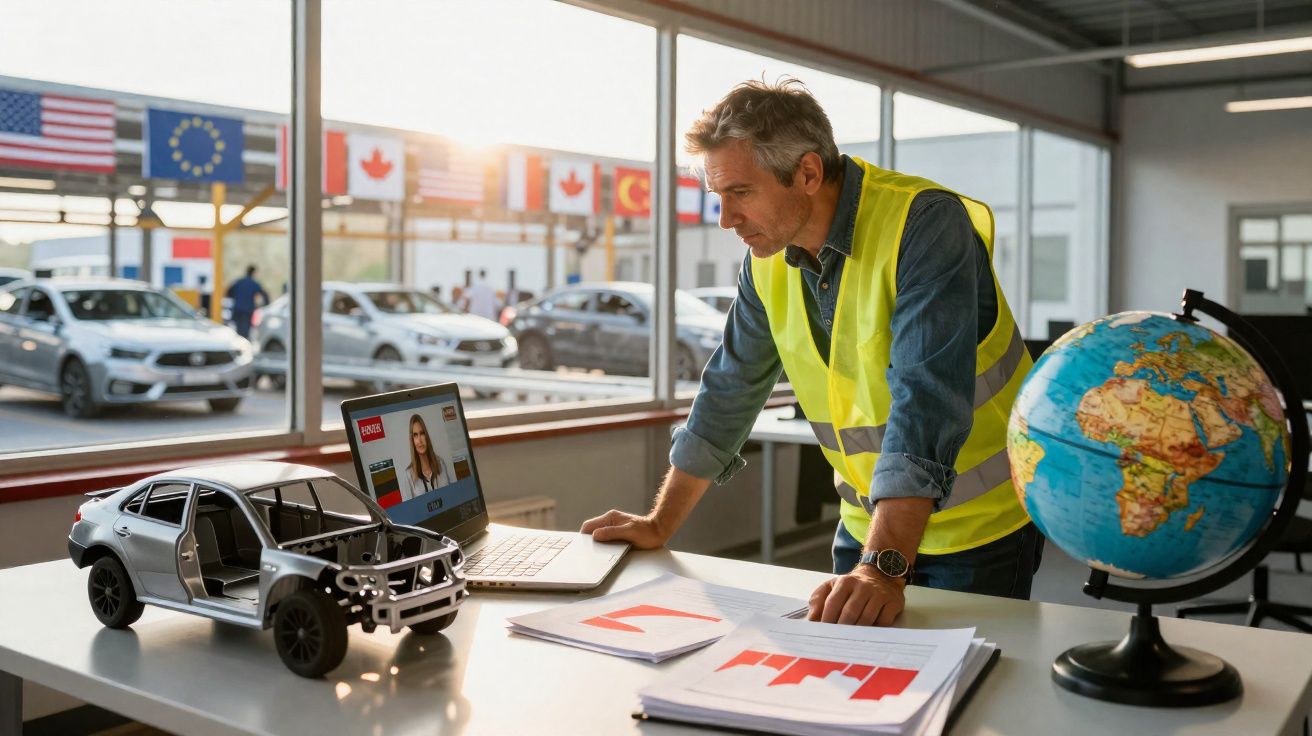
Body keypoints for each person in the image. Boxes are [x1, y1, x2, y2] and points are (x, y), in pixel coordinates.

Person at [581, 79, 1042, 627]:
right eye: (717, 196)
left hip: (977, 533)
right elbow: (729, 388)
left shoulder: (924, 224)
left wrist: (883, 567)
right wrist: (660, 522)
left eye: (741, 192)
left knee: (969, 682)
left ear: (807, 173)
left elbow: (926, 400)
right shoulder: (767, 259)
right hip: (866, 529)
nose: (725, 218)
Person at [402, 413, 450, 500]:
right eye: (415, 435)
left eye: (422, 433)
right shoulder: (408, 475)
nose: (420, 440)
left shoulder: (441, 464)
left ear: (426, 436)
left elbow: (450, 497)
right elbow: (409, 508)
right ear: (412, 440)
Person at [225, 265, 269, 339]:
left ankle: (238, 341)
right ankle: (243, 343)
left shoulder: (239, 282)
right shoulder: (254, 283)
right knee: (245, 331)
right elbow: (264, 293)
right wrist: (265, 304)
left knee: (238, 329)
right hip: (247, 309)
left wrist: (235, 298)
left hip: (237, 308)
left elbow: (229, 291)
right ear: (254, 273)